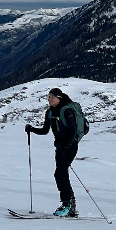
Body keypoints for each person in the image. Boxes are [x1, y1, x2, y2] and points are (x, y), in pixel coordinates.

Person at [25, 88, 80, 217]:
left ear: (59, 98)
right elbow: (45, 130)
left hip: (70, 146)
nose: (49, 99)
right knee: (61, 174)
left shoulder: (67, 111)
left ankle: (68, 204)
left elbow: (73, 131)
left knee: (60, 173)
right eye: (48, 97)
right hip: (60, 147)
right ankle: (69, 205)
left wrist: (66, 147)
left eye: (52, 97)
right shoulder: (50, 112)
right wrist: (32, 129)